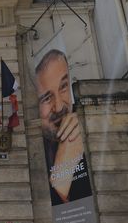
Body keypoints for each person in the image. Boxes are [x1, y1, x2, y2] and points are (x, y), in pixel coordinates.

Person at [35, 49, 93, 205]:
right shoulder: (35, 151)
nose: (60, 106)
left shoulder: (91, 133)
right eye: (47, 98)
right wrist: (61, 177)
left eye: (63, 87)